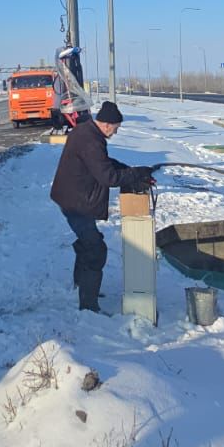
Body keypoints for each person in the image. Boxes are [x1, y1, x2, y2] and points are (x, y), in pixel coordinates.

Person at [48, 101, 154, 312]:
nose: (115, 133)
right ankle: (88, 305)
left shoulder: (87, 132)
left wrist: (131, 170)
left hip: (72, 198)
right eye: (116, 128)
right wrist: (135, 174)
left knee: (89, 242)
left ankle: (81, 283)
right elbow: (108, 177)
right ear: (106, 124)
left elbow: (102, 162)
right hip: (75, 203)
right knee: (96, 249)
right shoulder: (91, 140)